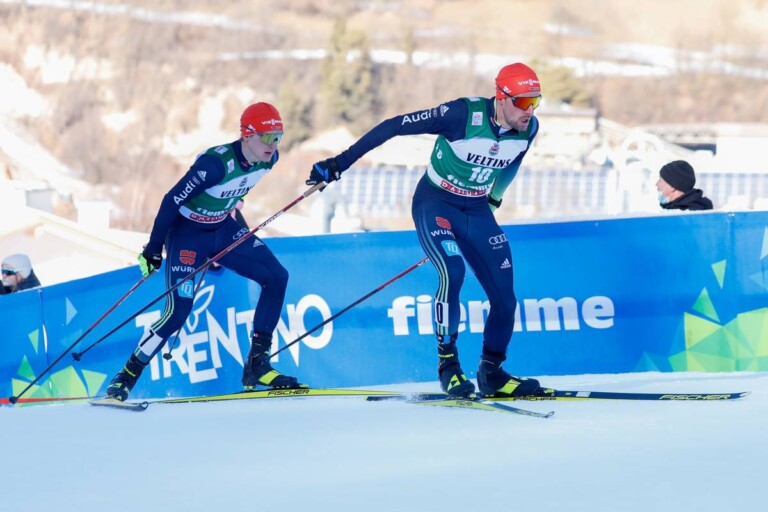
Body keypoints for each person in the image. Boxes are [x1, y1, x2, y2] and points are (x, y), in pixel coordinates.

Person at [307, 63, 547, 398]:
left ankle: (492, 372)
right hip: (436, 203)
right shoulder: (461, 115)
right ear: (502, 97)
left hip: (476, 210)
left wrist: (494, 198)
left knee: (506, 300)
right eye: (523, 102)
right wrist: (340, 162)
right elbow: (394, 126)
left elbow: (513, 164)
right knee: (453, 271)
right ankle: (448, 366)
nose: (530, 111)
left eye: (535, 101)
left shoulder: (528, 128)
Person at [105, 102, 305, 401]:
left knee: (277, 276)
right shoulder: (214, 165)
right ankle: (126, 376)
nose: (273, 144)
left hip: (223, 230)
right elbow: (171, 200)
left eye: (279, 136)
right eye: (266, 137)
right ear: (247, 134)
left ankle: (257, 366)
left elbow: (238, 191)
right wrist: (153, 249)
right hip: (187, 236)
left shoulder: (269, 159)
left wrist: (241, 222)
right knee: (178, 312)